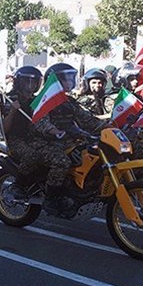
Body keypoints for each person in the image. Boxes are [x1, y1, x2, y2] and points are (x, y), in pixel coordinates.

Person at [38, 63, 108, 210]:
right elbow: (41, 122)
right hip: (46, 141)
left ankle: (83, 189)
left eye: (71, 78)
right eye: (66, 79)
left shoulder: (69, 101)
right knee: (62, 162)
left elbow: (87, 120)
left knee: (93, 154)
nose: (70, 82)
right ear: (55, 80)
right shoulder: (44, 99)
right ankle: (51, 197)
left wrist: (110, 125)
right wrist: (53, 131)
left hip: (69, 139)